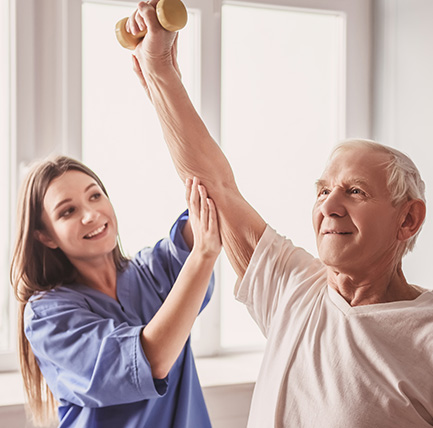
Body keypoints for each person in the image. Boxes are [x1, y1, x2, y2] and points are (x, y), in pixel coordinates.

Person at [126, 2, 433, 427]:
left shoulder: (426, 334)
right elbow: (214, 186)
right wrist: (160, 69)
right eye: (323, 190)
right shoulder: (295, 288)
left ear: (408, 219)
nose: (328, 206)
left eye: (355, 191)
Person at [10, 155, 221, 428]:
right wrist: (203, 255)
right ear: (46, 236)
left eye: (95, 196)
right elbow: (152, 360)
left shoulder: (154, 269)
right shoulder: (47, 317)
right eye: (67, 211)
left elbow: (213, 193)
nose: (90, 214)